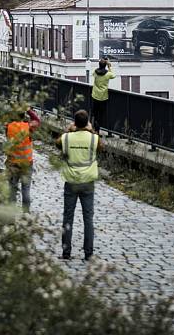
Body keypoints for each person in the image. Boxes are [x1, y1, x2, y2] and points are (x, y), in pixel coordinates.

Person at [56, 109, 102, 261]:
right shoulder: (93, 139)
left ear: (74, 123)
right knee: (88, 218)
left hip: (71, 181)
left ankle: (66, 252)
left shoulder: (66, 138)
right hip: (88, 182)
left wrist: (68, 130)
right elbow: (100, 147)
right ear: (87, 123)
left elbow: (57, 143)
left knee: (68, 217)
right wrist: (92, 130)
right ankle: (88, 253)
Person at [5, 105, 41, 212]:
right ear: (23, 115)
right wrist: (29, 110)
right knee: (26, 190)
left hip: (12, 163)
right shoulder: (28, 127)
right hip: (27, 163)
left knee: (12, 190)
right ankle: (26, 213)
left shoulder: (8, 127)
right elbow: (37, 120)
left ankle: (11, 216)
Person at [91, 57, 115, 134]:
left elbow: (93, 74)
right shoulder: (107, 74)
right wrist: (109, 66)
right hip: (103, 97)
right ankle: (98, 129)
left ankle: (95, 129)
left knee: (95, 113)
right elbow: (113, 75)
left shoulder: (95, 72)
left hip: (95, 95)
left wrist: (101, 63)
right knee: (101, 114)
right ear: (105, 65)